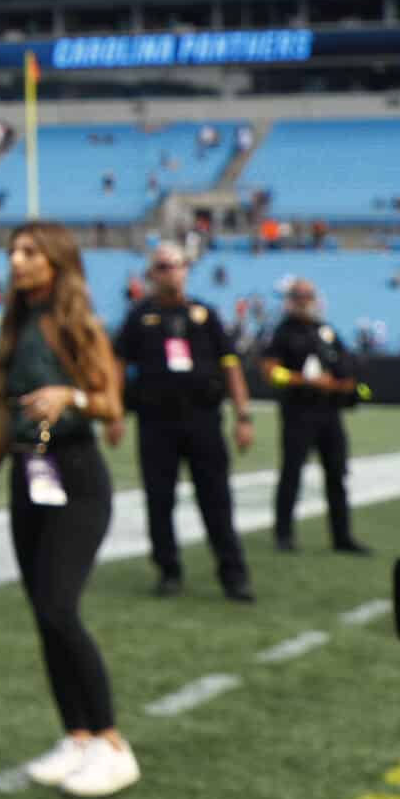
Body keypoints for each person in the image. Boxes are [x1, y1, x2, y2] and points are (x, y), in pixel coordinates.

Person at [0, 223, 136, 798]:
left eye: (29, 251)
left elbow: (113, 402)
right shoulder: (15, 327)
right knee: (43, 613)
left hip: (76, 475)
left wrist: (74, 397)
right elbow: (5, 415)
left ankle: (112, 741)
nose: (16, 260)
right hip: (26, 474)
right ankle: (77, 735)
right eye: (12, 250)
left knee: (61, 607)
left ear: (56, 262)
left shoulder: (78, 324)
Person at [114, 243, 255, 602]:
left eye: (176, 266)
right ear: (151, 273)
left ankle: (233, 574)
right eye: (162, 266)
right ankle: (168, 570)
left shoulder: (204, 315)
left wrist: (243, 415)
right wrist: (114, 412)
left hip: (203, 419)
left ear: (186, 271)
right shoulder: (138, 317)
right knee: (159, 500)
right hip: (155, 421)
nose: (170, 272)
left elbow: (230, 365)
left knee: (217, 500)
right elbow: (117, 366)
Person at [261, 279, 371, 556]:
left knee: (337, 474)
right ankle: (283, 534)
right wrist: (303, 380)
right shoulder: (283, 332)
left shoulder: (326, 331)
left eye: (307, 295)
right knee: (291, 473)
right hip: (299, 412)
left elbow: (346, 369)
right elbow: (271, 372)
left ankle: (341, 535)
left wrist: (339, 385)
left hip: (329, 413)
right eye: (298, 295)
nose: (303, 300)